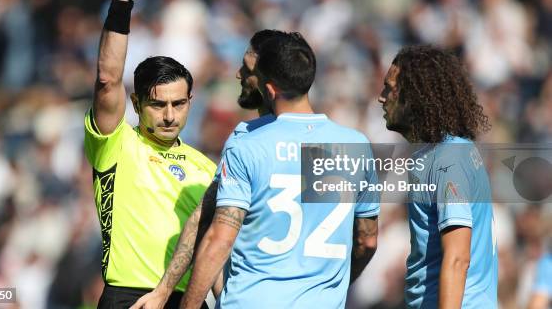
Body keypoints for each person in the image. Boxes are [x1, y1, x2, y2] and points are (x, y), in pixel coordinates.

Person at [180, 32, 380, 308]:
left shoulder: (247, 145)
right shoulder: (354, 145)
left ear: (270, 90)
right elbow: (367, 241)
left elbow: (219, 239)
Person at [131, 29, 312, 309]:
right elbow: (365, 239)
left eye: (247, 67)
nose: (238, 74)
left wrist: (174, 298)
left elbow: (215, 235)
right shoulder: (343, 143)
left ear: (269, 80)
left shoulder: (246, 143)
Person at [84, 0, 216, 309]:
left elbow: (214, 250)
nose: (170, 115)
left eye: (179, 103)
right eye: (158, 104)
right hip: (129, 296)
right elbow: (108, 79)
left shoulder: (206, 168)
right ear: (137, 104)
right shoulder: (116, 144)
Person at [378, 45, 497, 308]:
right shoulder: (435, 154)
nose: (381, 97)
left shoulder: (448, 159)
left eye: (389, 87)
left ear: (414, 95)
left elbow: (457, 258)